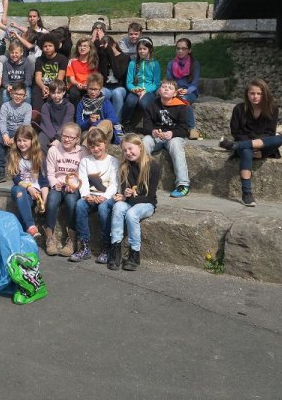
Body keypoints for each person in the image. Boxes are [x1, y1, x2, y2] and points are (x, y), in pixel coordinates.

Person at [218, 78, 282, 207]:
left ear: (265, 94)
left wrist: (253, 143)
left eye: (259, 93)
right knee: (246, 151)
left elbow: (270, 133)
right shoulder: (238, 109)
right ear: (247, 94)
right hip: (246, 144)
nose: (255, 96)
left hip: (263, 146)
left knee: (279, 139)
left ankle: (234, 146)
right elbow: (236, 132)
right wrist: (251, 143)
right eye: (252, 93)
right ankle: (246, 193)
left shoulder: (272, 109)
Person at [106, 133, 161, 271]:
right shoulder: (125, 167)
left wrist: (129, 198)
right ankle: (115, 248)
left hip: (147, 204)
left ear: (140, 147)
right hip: (130, 201)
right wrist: (125, 193)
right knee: (118, 207)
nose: (128, 153)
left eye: (130, 148)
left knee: (131, 213)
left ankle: (134, 252)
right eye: (125, 150)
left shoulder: (153, 166)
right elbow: (125, 190)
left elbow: (150, 196)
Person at [70, 128, 120, 263]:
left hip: (107, 197)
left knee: (103, 208)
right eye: (92, 147)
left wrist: (105, 197)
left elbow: (114, 184)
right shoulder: (86, 161)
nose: (96, 149)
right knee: (80, 205)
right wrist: (86, 195)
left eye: (98, 145)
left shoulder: (113, 161)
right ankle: (84, 245)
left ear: (105, 143)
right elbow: (83, 181)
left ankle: (107, 246)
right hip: (91, 195)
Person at [143, 79, 191, 198]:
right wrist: (153, 131)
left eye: (169, 88)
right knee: (144, 142)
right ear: (159, 90)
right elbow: (146, 126)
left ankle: (183, 184)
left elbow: (184, 128)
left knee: (175, 145)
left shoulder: (181, 106)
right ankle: (141, 180)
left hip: (174, 136)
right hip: (157, 137)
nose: (166, 89)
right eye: (164, 87)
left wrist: (172, 133)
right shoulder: (151, 105)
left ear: (175, 93)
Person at [43, 122, 86, 256]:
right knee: (51, 201)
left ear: (77, 139)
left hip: (73, 186)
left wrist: (74, 185)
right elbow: (50, 172)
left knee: (72, 203)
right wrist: (54, 183)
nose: (67, 139)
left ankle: (72, 238)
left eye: (71, 137)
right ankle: (50, 236)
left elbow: (83, 172)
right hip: (58, 184)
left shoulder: (82, 152)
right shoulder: (54, 150)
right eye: (64, 136)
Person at [7, 125, 49, 238]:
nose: (21, 143)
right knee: (19, 191)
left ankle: (18, 235)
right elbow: (15, 178)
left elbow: (43, 181)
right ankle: (31, 226)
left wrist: (44, 201)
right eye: (19, 140)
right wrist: (28, 188)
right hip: (20, 188)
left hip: (35, 192)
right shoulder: (14, 155)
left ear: (32, 140)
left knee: (25, 206)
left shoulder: (39, 157)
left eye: (25, 140)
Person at [0, 81, 32, 184]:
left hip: (21, 132)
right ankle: (0, 171)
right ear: (11, 94)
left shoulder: (27, 107)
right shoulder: (5, 106)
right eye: (16, 94)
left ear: (25, 96)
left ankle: (26, 171)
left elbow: (26, 124)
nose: (18, 96)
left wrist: (16, 137)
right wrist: (5, 135)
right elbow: (2, 122)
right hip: (7, 131)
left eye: (21, 94)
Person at [121, 37, 161, 131]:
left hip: (149, 91)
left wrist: (144, 91)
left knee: (143, 103)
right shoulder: (133, 63)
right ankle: (124, 122)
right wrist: (134, 89)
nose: (142, 51)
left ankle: (146, 124)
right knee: (130, 102)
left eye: (144, 49)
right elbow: (129, 82)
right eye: (139, 49)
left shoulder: (155, 64)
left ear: (149, 49)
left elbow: (156, 83)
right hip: (135, 90)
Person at [166, 37, 201, 139]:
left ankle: (192, 128)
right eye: (178, 48)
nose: (180, 51)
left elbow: (195, 83)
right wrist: (175, 90)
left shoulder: (195, 64)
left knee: (183, 99)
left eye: (183, 49)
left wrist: (187, 91)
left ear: (189, 50)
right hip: (174, 91)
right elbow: (169, 81)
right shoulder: (171, 64)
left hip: (190, 92)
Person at [76, 73, 122, 145]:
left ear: (100, 89)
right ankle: (86, 147)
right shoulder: (81, 104)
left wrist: (95, 124)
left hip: (104, 133)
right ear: (87, 88)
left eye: (95, 89)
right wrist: (89, 122)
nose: (93, 92)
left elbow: (113, 119)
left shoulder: (105, 102)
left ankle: (85, 147)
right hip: (88, 132)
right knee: (88, 134)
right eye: (91, 89)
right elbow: (79, 125)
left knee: (107, 122)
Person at [96, 34, 129, 121]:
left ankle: (116, 123)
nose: (108, 50)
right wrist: (103, 57)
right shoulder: (104, 56)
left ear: (114, 44)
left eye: (109, 47)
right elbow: (102, 76)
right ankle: (102, 122)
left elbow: (118, 74)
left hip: (120, 87)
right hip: (106, 87)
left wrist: (111, 55)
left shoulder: (125, 57)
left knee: (116, 93)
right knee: (101, 93)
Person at [32, 33, 68, 111]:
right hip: (42, 85)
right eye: (45, 46)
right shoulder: (39, 60)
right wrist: (43, 87)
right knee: (36, 95)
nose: (47, 48)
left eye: (50, 46)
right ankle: (37, 116)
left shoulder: (62, 59)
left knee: (52, 98)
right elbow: (38, 78)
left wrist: (51, 90)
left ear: (55, 46)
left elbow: (60, 78)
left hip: (56, 85)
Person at [39, 80, 74, 152]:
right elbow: (46, 124)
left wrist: (58, 138)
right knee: (40, 139)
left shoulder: (70, 106)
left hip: (64, 132)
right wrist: (53, 138)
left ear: (64, 92)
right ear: (49, 93)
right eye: (53, 93)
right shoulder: (46, 106)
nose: (56, 95)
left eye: (58, 93)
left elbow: (66, 123)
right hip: (49, 133)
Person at [66, 38, 99, 105]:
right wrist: (77, 84)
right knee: (74, 93)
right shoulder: (72, 61)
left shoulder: (93, 62)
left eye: (85, 46)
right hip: (75, 85)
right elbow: (71, 79)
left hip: (89, 85)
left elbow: (94, 77)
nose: (82, 48)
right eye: (80, 46)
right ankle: (76, 111)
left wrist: (88, 85)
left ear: (90, 48)